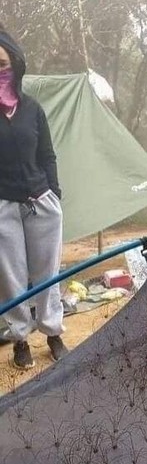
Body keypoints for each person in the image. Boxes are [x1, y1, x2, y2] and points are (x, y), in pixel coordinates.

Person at [0, 27, 68, 369]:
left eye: (2, 64)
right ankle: (20, 339)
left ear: (15, 63)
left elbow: (48, 155)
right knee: (11, 276)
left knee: (47, 272)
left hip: (41, 200)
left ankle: (53, 332)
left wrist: (54, 192)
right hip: (4, 205)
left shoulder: (32, 109)